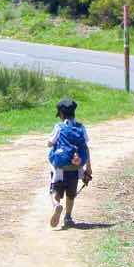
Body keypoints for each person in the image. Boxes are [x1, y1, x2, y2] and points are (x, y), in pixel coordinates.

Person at [48, 98, 92, 229]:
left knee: (54, 190)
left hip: (60, 168)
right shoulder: (80, 127)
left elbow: (50, 143)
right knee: (71, 194)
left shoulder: (58, 127)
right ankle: (68, 217)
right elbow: (85, 148)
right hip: (76, 168)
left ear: (61, 114)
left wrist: (51, 143)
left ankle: (56, 205)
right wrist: (88, 167)